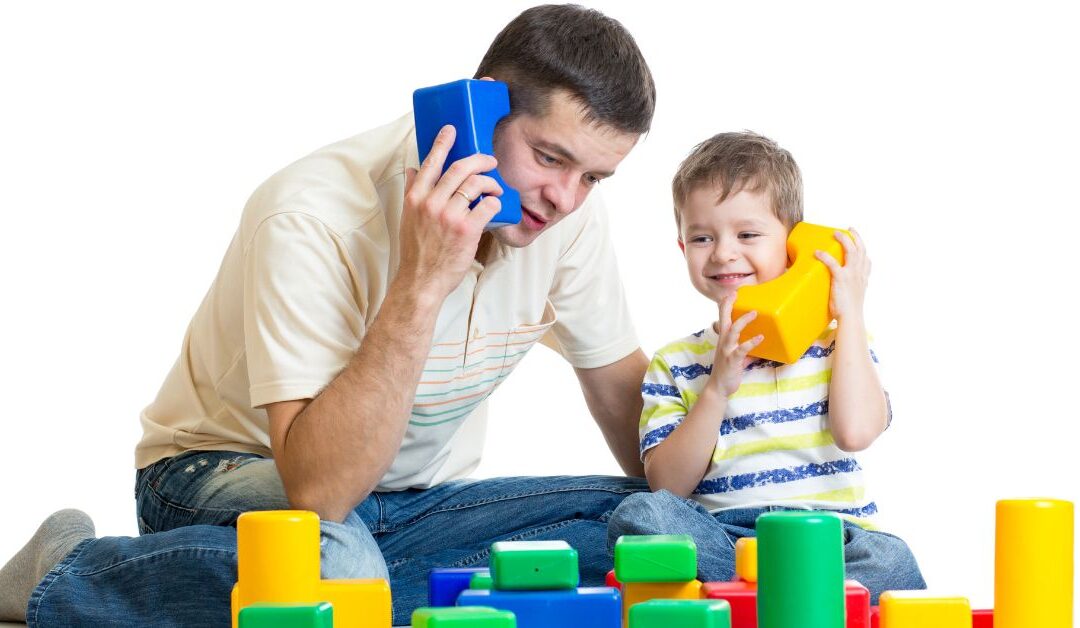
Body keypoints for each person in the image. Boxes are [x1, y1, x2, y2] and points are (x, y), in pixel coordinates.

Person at [0, 5, 656, 626]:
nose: (566, 199)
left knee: (644, 523)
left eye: (594, 177)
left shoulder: (565, 218)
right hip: (221, 474)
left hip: (407, 503)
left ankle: (357, 593)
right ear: (480, 110)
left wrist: (724, 443)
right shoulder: (311, 215)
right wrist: (422, 283)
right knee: (341, 565)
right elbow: (320, 491)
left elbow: (632, 411)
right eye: (549, 157)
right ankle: (68, 572)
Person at [606, 131, 925, 602]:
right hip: (727, 538)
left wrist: (850, 313)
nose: (722, 253)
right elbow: (667, 485)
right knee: (642, 516)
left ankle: (764, 596)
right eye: (701, 237)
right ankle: (793, 597)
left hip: (832, 538)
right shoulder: (675, 362)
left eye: (748, 234)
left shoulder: (840, 343)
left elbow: (856, 433)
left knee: (892, 561)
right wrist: (717, 387)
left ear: (795, 244)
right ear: (682, 248)